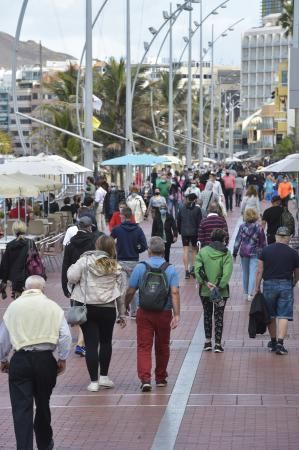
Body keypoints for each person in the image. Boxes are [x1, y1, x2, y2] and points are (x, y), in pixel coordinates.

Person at [0, 275, 71, 450]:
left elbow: (4, 338)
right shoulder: (53, 307)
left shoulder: (13, 307)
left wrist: (2, 359)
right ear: (43, 289)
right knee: (43, 402)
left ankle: (24, 446)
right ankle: (45, 442)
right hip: (45, 359)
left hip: (21, 358)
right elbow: (65, 336)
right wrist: (62, 357)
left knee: (21, 408)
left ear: (24, 289)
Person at [67, 236, 127, 391]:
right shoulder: (115, 266)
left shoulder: (85, 261)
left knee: (91, 343)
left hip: (87, 307)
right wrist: (122, 314)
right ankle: (104, 377)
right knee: (106, 342)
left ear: (97, 246)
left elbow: (72, 277)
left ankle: (93, 381)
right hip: (108, 308)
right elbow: (120, 293)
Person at [125, 236, 180, 392]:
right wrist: (177, 314)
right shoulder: (170, 269)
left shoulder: (140, 267)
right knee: (163, 345)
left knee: (144, 346)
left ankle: (145, 378)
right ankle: (161, 377)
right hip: (164, 312)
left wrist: (125, 305)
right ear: (163, 251)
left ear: (149, 251)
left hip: (145, 311)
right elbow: (174, 292)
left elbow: (130, 290)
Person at [62, 216, 103, 357]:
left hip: (73, 283)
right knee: (89, 314)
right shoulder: (94, 241)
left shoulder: (70, 244)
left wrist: (64, 285)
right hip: (90, 283)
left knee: (80, 312)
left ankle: (81, 343)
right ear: (89, 226)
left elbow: (65, 265)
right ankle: (81, 343)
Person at [255, 227, 299, 355]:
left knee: (271, 315)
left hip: (269, 285)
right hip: (286, 284)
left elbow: (259, 271)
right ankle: (280, 343)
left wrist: (257, 287)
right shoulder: (293, 253)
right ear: (288, 238)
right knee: (284, 314)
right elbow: (297, 272)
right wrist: (295, 281)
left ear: (276, 236)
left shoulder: (266, 250)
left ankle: (273, 341)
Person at [194, 229, 233, 353]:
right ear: (223, 239)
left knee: (207, 314)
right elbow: (227, 273)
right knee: (219, 316)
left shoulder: (203, 252)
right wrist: (218, 285)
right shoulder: (226, 254)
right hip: (221, 291)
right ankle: (218, 344)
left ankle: (207, 342)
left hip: (205, 290)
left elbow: (198, 269)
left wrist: (205, 282)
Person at [111, 207, 147, 318]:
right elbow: (144, 245)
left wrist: (114, 251)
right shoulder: (138, 229)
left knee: (122, 288)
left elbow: (109, 241)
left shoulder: (117, 229)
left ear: (122, 216)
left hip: (121, 261)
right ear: (130, 216)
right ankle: (135, 312)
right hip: (134, 262)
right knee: (135, 289)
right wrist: (137, 249)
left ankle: (122, 312)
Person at [233, 208, 266, 301]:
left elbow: (237, 241)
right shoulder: (259, 228)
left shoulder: (242, 227)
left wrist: (234, 253)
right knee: (253, 272)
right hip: (255, 253)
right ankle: (250, 294)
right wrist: (264, 254)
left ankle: (246, 291)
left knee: (245, 273)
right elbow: (263, 242)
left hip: (244, 252)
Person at [0, 220, 38, 299]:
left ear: (14, 230)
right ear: (24, 229)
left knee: (18, 303)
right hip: (29, 277)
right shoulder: (30, 243)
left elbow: (5, 265)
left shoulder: (10, 245)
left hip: (15, 279)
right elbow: (37, 260)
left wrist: (4, 281)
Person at [177, 193, 202, 279]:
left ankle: (186, 270)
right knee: (194, 250)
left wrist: (179, 231)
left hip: (184, 232)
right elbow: (199, 222)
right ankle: (194, 269)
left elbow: (178, 221)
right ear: (195, 200)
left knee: (185, 250)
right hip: (194, 232)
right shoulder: (197, 209)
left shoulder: (182, 209)